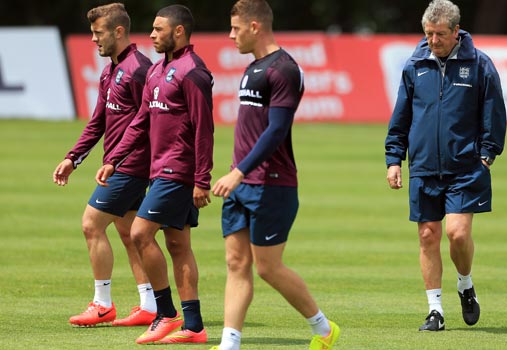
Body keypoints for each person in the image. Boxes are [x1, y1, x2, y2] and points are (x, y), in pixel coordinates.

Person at [210, 1, 340, 350]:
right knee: (236, 262)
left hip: (271, 183)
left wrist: (238, 172)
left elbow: (276, 130)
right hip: (242, 183)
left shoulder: (284, 69)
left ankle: (325, 329)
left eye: (236, 28)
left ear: (255, 26)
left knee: (267, 268)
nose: (230, 35)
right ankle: (229, 343)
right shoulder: (253, 67)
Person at [95, 4, 214, 345]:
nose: (151, 34)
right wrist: (114, 159)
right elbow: (141, 121)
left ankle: (165, 313)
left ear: (179, 32)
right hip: (159, 169)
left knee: (140, 233)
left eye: (158, 29)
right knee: (178, 245)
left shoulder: (193, 72)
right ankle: (193, 326)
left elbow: (204, 130)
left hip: (179, 171)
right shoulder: (157, 70)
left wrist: (202, 179)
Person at [384, 0, 507, 332]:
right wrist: (394, 158)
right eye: (428, 34)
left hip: (466, 166)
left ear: (456, 32)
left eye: (439, 34)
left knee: (457, 233)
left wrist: (487, 153)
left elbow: (494, 112)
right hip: (423, 166)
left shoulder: (480, 65)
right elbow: (402, 116)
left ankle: (465, 284)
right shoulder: (414, 65)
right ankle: (435, 311)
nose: (433, 41)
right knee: (427, 235)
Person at [53, 2, 157, 328]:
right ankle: (149, 305)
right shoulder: (111, 68)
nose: (94, 40)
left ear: (119, 31)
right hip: (118, 164)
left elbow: (152, 120)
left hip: (131, 166)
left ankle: (102, 304)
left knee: (91, 224)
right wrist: (73, 157)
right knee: (130, 233)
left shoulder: (140, 69)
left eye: (98, 34)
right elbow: (98, 121)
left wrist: (124, 161)